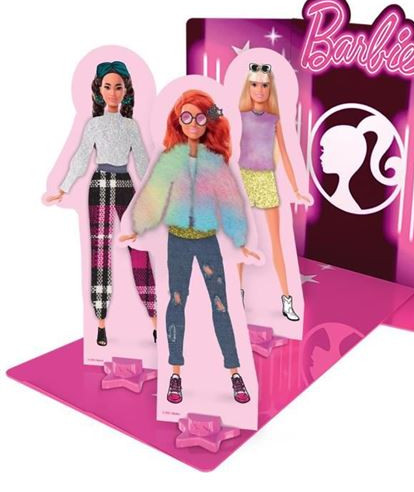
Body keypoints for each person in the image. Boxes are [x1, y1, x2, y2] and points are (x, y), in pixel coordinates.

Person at [123, 89, 257, 404]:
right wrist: (137, 227)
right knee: (176, 303)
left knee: (220, 305)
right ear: (177, 121)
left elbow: (231, 203)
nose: (193, 124)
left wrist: (241, 241)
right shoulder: (170, 160)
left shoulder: (215, 162)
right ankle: (175, 374)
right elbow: (153, 195)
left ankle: (235, 373)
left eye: (199, 118)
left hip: (208, 241)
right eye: (186, 117)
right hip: (178, 242)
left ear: (208, 121)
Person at [46, 61, 158, 347]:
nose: (113, 93)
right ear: (99, 90)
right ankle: (101, 323)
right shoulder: (94, 125)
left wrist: (155, 194)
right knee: (100, 250)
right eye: (107, 87)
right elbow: (81, 158)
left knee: (138, 245)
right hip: (99, 185)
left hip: (126, 185)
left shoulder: (130, 126)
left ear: (126, 91)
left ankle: (154, 318)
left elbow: (143, 161)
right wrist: (63, 188)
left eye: (118, 87)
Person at [238, 62, 309, 321]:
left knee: (276, 242)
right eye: (255, 84)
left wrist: (296, 189)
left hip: (266, 180)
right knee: (242, 240)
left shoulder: (274, 121)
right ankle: (237, 295)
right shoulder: (239, 116)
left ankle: (286, 299)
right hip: (243, 179)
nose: (259, 90)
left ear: (271, 89)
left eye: (264, 85)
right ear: (248, 87)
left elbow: (285, 156)